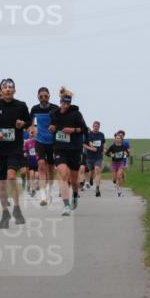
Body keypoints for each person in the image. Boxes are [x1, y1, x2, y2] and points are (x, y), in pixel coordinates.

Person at [0, 78, 31, 228]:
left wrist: (23, 124)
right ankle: (5, 212)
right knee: (1, 183)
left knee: (11, 176)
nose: (7, 90)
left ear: (14, 90)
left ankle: (17, 207)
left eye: (10, 87)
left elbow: (29, 122)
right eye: (5, 88)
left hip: (15, 148)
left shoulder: (21, 106)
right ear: (1, 91)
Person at [48, 87, 88, 216]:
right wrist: (51, 128)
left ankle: (75, 196)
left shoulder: (76, 114)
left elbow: (84, 129)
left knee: (74, 180)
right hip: (59, 148)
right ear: (60, 102)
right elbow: (52, 127)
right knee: (64, 175)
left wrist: (73, 130)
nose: (65, 105)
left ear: (70, 103)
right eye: (63, 102)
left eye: (67, 103)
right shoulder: (54, 114)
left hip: (74, 149)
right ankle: (66, 205)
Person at [30, 87, 60, 206]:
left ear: (49, 96)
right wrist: (32, 129)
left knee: (51, 168)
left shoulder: (55, 108)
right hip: (40, 141)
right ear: (38, 97)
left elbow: (60, 121)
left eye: (45, 96)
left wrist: (55, 127)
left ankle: (49, 189)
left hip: (53, 142)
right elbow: (30, 121)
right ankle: (42, 195)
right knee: (41, 165)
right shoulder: (34, 109)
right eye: (41, 96)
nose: (43, 98)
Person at [84, 121, 106, 197]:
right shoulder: (88, 135)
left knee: (97, 170)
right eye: (95, 126)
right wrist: (90, 148)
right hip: (89, 157)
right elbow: (83, 145)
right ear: (93, 126)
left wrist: (104, 149)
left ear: (99, 127)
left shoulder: (101, 134)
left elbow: (104, 143)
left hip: (98, 156)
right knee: (91, 170)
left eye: (97, 126)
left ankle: (97, 189)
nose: (96, 127)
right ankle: (90, 178)